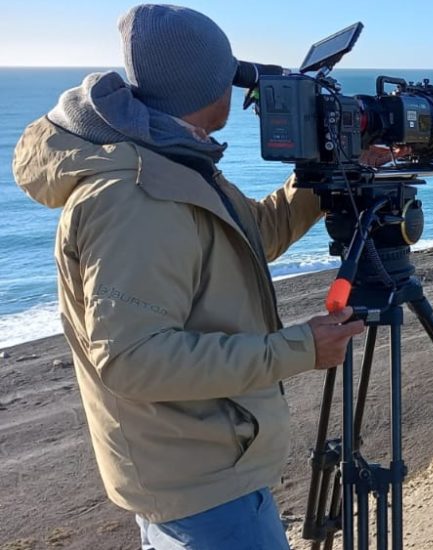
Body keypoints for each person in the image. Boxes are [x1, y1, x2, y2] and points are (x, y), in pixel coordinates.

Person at [12, 4, 369, 549]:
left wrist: (327, 177)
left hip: (210, 466)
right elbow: (134, 360)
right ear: (209, 87)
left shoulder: (171, 158)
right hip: (199, 490)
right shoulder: (135, 198)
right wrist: (301, 348)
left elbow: (256, 234)